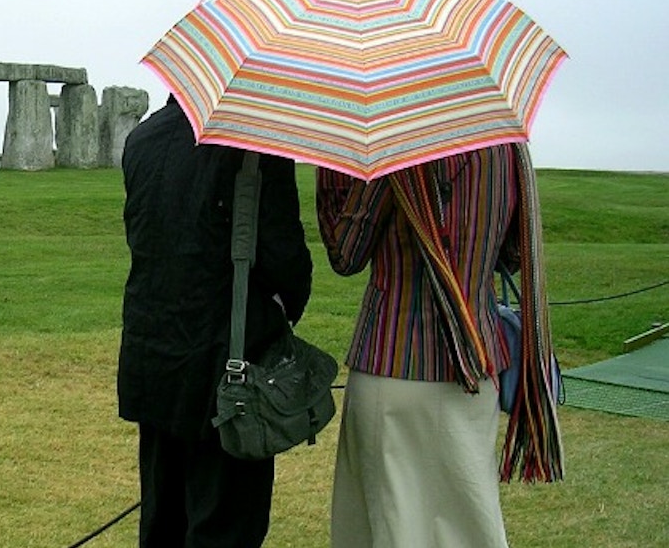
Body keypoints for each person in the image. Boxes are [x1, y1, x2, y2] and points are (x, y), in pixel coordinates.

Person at [316, 142, 563, 548]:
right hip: (477, 365)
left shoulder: (393, 144)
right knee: (468, 527)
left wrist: (335, 171)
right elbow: (513, 253)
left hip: (392, 362)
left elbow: (346, 253)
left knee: (393, 528)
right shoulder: (504, 144)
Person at [117, 96, 313, 548]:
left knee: (162, 523)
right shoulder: (255, 143)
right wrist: (286, 308)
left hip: (153, 358)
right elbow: (285, 260)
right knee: (226, 528)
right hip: (229, 367)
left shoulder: (141, 140)